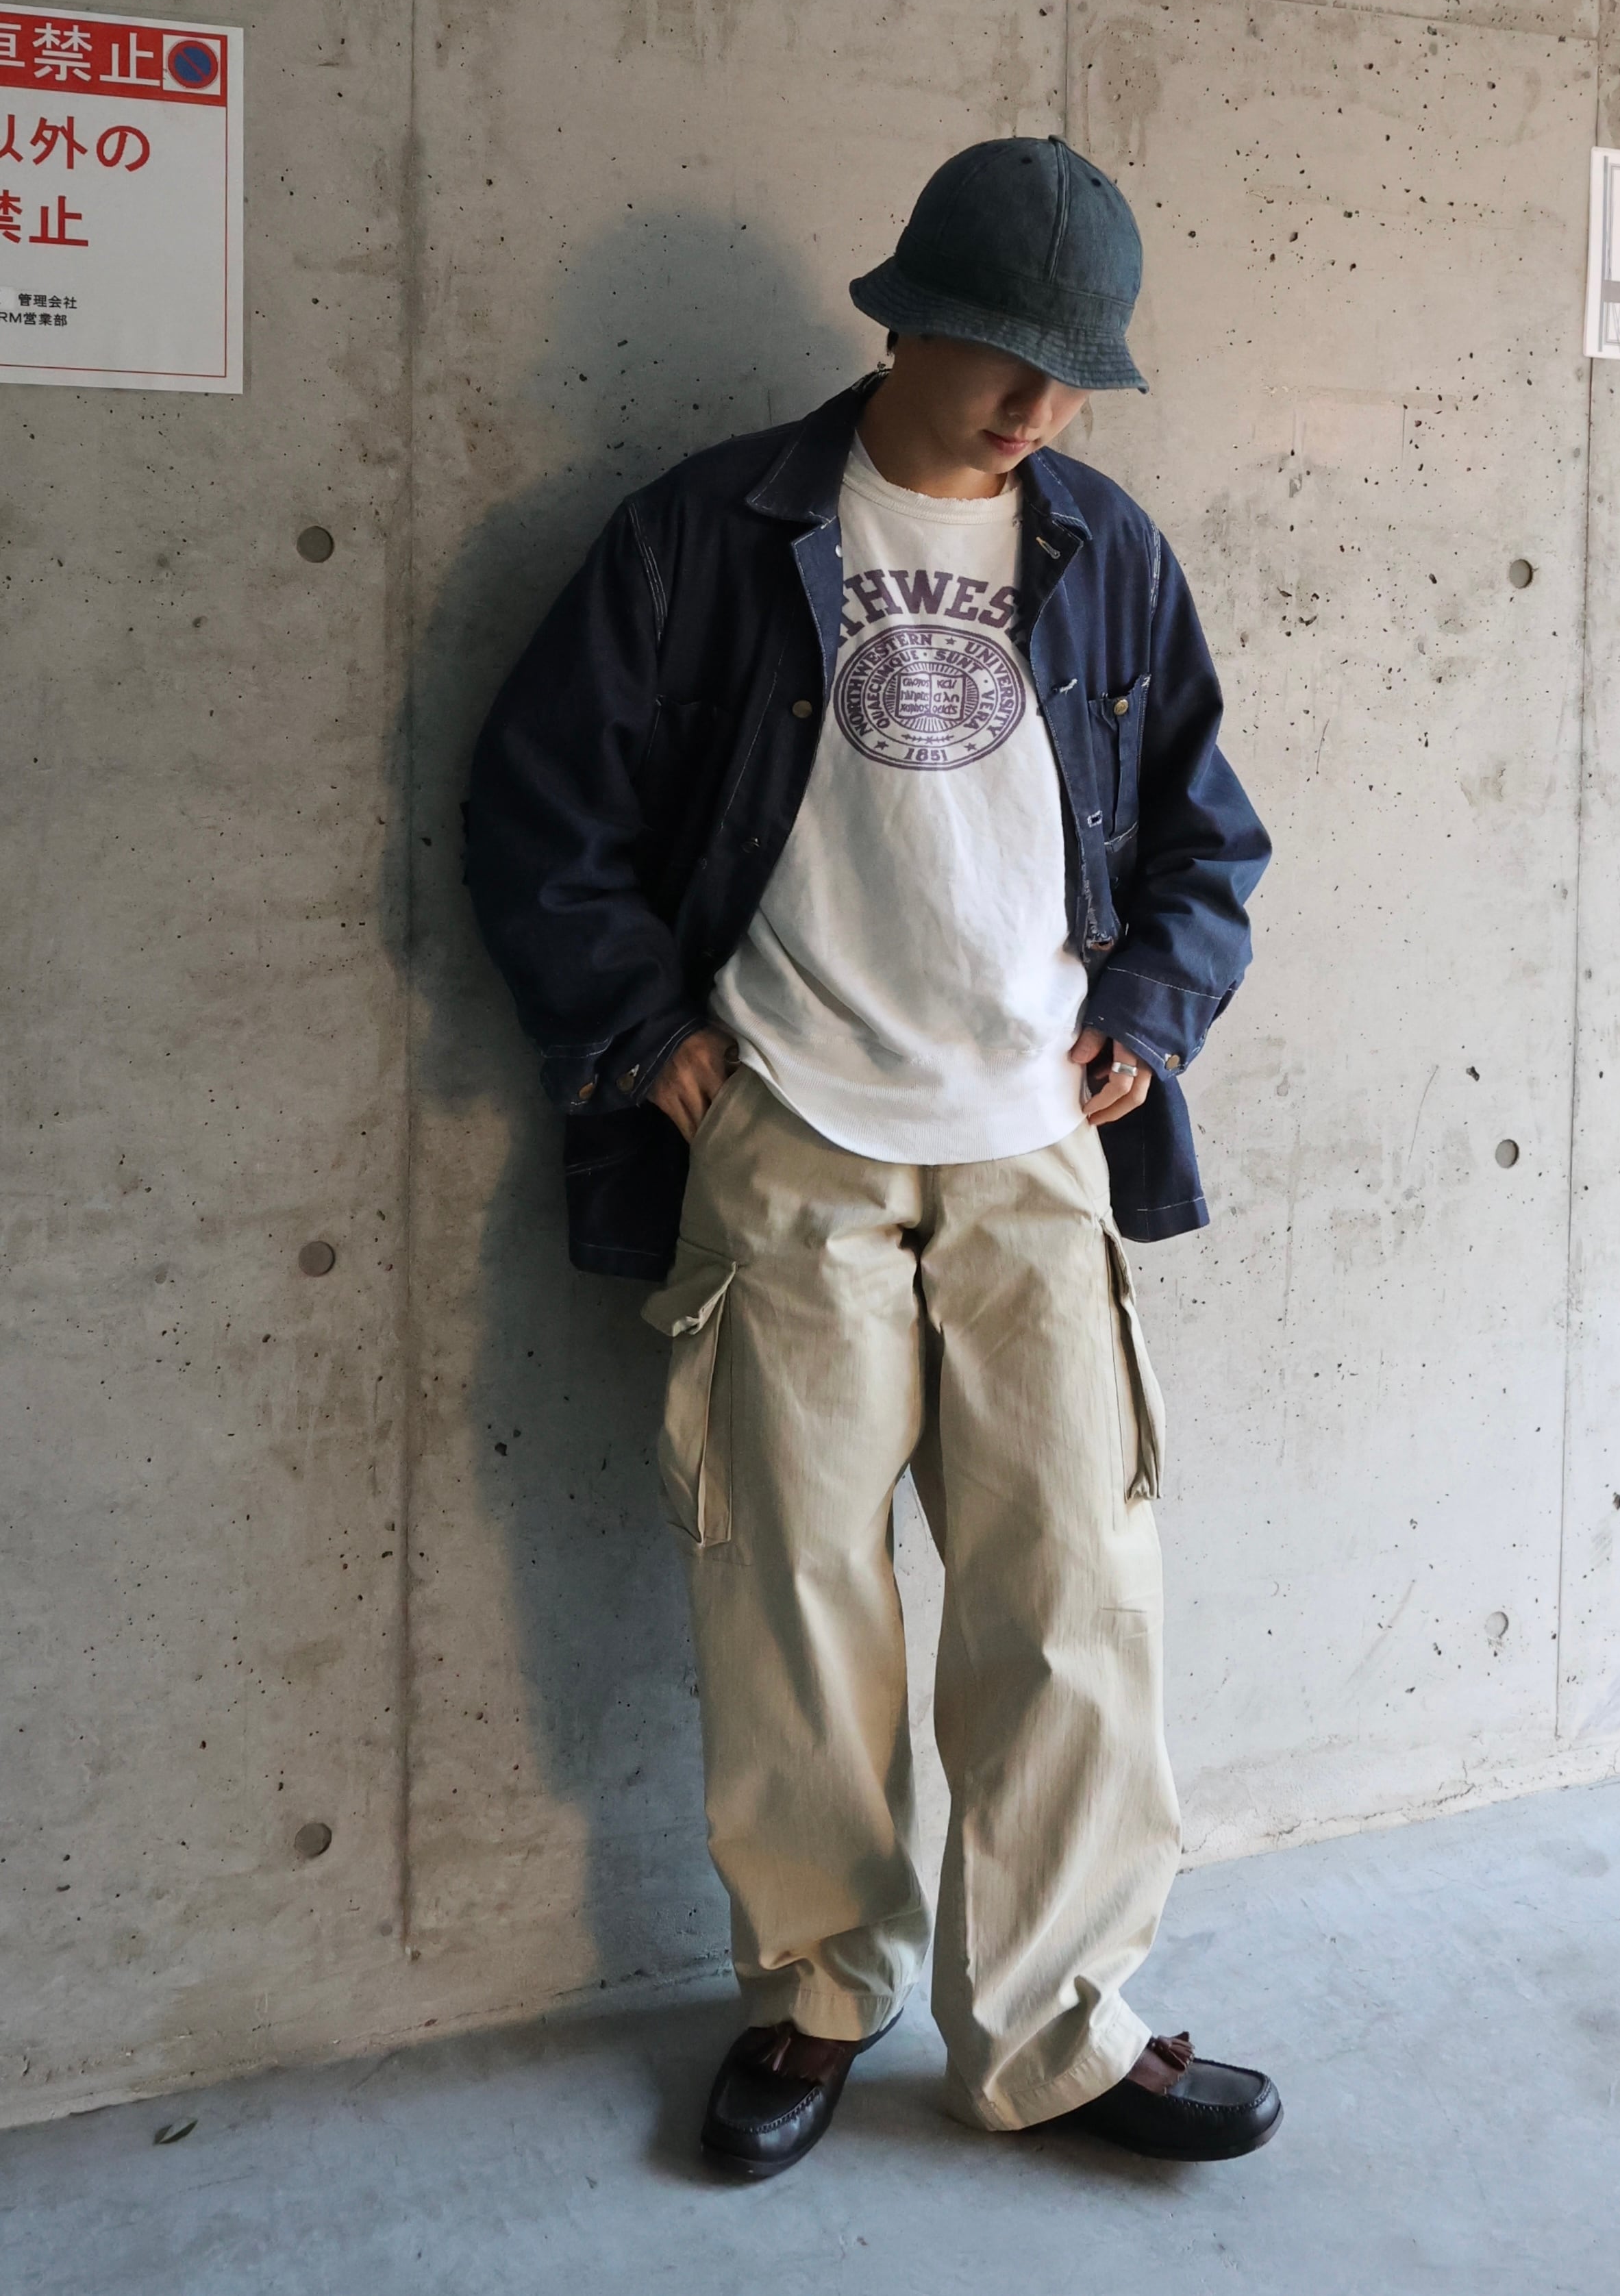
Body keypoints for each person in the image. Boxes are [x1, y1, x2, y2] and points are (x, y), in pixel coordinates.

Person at [467, 136, 1275, 2178]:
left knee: (1074, 1598)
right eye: (1005, 353)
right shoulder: (709, 531)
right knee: (795, 1598)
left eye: (1075, 372)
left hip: (1033, 1154)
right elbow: (537, 806)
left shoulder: (1105, 547)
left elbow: (1210, 837)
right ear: (904, 318)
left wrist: (1150, 1013)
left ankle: (1060, 2033)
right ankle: (816, 1995)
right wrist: (648, 1041)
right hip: (792, 1138)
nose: (1037, 405)